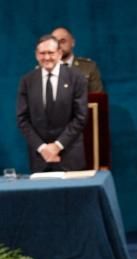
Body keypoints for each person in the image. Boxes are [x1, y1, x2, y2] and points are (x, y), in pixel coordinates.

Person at [17, 34, 88, 172]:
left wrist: (57, 146)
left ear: (60, 53)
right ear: (36, 55)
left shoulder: (76, 78)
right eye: (42, 53)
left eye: (51, 53)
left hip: (70, 157)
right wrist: (42, 148)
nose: (47, 57)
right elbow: (22, 120)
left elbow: (81, 117)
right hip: (40, 159)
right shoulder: (27, 81)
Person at [51, 26, 104, 92]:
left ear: (72, 42)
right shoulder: (44, 69)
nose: (59, 46)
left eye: (63, 41)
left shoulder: (89, 67)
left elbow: (97, 99)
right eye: (55, 42)